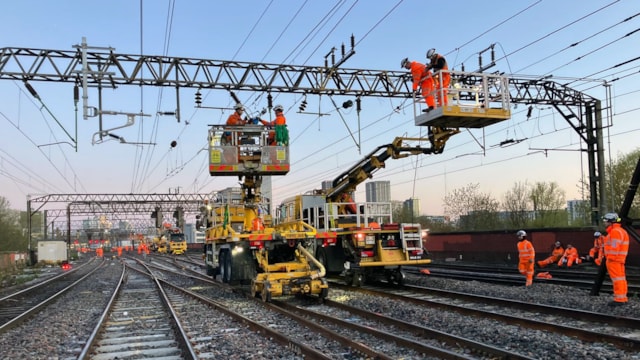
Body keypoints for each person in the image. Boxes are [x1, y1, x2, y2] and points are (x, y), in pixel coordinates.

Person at [602, 212, 629, 306]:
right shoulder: (621, 231)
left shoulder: (615, 232)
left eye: (605, 221)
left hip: (614, 260)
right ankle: (623, 297)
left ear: (610, 222)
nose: (604, 223)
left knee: (617, 280)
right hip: (619, 259)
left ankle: (619, 299)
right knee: (621, 279)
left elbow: (614, 246)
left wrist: (610, 258)